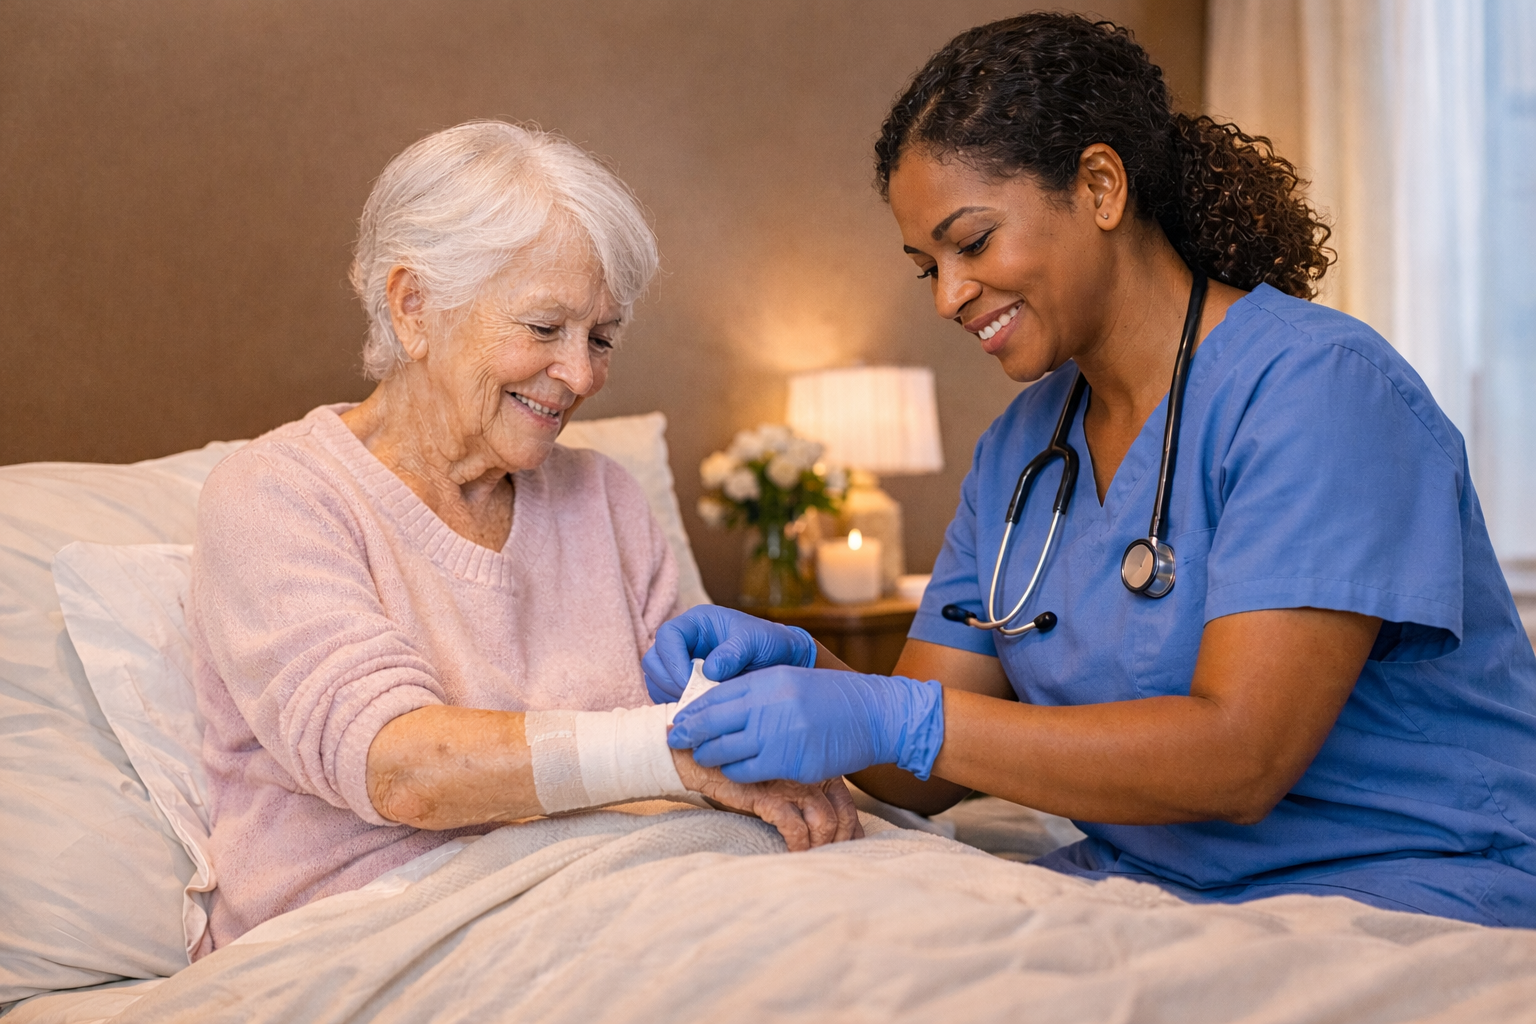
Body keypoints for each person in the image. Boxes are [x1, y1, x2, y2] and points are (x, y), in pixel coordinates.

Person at [652, 14, 1536, 928]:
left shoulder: (1318, 392)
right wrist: (812, 672)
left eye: (974, 243)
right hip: (1155, 890)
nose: (949, 296)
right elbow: (915, 777)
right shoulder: (1022, 453)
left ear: (1101, 186)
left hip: (1410, 882)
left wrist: (891, 714)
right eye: (928, 268)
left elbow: (1242, 760)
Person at [189, 121, 859, 950]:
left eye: (601, 337)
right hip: (383, 930)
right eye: (544, 329)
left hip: (630, 884)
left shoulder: (605, 498)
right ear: (414, 306)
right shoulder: (277, 495)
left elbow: (695, 734)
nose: (580, 376)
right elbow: (402, 771)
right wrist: (675, 754)